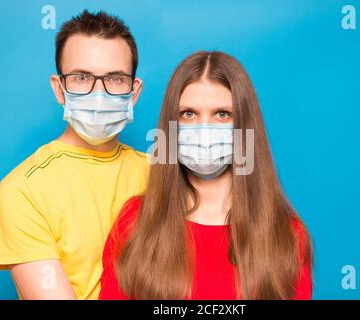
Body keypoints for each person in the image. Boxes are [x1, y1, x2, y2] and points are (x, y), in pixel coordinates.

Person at [100, 51, 313, 300]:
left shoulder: (286, 236)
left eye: (222, 114)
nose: (204, 129)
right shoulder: (133, 223)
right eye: (188, 114)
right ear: (171, 126)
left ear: (244, 127)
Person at [0, 10, 149, 299]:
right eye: (81, 77)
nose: (98, 93)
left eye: (115, 79)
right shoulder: (24, 189)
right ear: (59, 89)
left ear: (133, 92)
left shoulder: (162, 174)